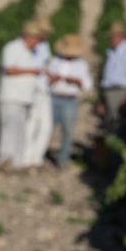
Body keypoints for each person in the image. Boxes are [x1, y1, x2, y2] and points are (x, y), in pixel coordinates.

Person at [0, 21, 44, 170]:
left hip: (24, 98)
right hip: (11, 97)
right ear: (29, 37)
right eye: (37, 39)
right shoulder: (12, 48)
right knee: (8, 129)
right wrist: (31, 71)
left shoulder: (31, 52)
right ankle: (4, 159)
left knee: (19, 130)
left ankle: (16, 161)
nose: (38, 43)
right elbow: (9, 69)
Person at [47, 34, 93, 168]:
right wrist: (53, 79)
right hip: (54, 97)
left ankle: (63, 159)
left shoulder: (82, 65)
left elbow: (87, 86)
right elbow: (46, 78)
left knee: (68, 131)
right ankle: (41, 154)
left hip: (70, 100)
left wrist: (77, 81)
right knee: (46, 128)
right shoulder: (54, 61)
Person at [100, 20, 126, 135]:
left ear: (121, 37)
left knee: (118, 127)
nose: (110, 39)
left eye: (112, 37)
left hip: (121, 92)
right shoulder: (111, 52)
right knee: (109, 126)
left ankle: (116, 152)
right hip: (109, 92)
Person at [23, 16, 54, 167]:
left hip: (45, 89)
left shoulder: (45, 46)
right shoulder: (30, 48)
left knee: (46, 125)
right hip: (34, 90)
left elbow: (44, 66)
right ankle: (27, 156)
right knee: (31, 124)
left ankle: (37, 157)